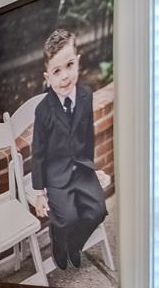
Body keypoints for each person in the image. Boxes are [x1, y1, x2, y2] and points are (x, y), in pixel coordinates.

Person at [27, 29, 113, 270]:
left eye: (69, 66)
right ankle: (59, 239)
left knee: (97, 211)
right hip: (57, 174)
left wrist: (93, 169)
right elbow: (38, 154)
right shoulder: (44, 111)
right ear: (47, 76)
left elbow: (88, 137)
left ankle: (75, 244)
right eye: (56, 71)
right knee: (67, 219)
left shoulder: (85, 95)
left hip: (81, 169)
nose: (64, 77)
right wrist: (39, 192)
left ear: (78, 62)